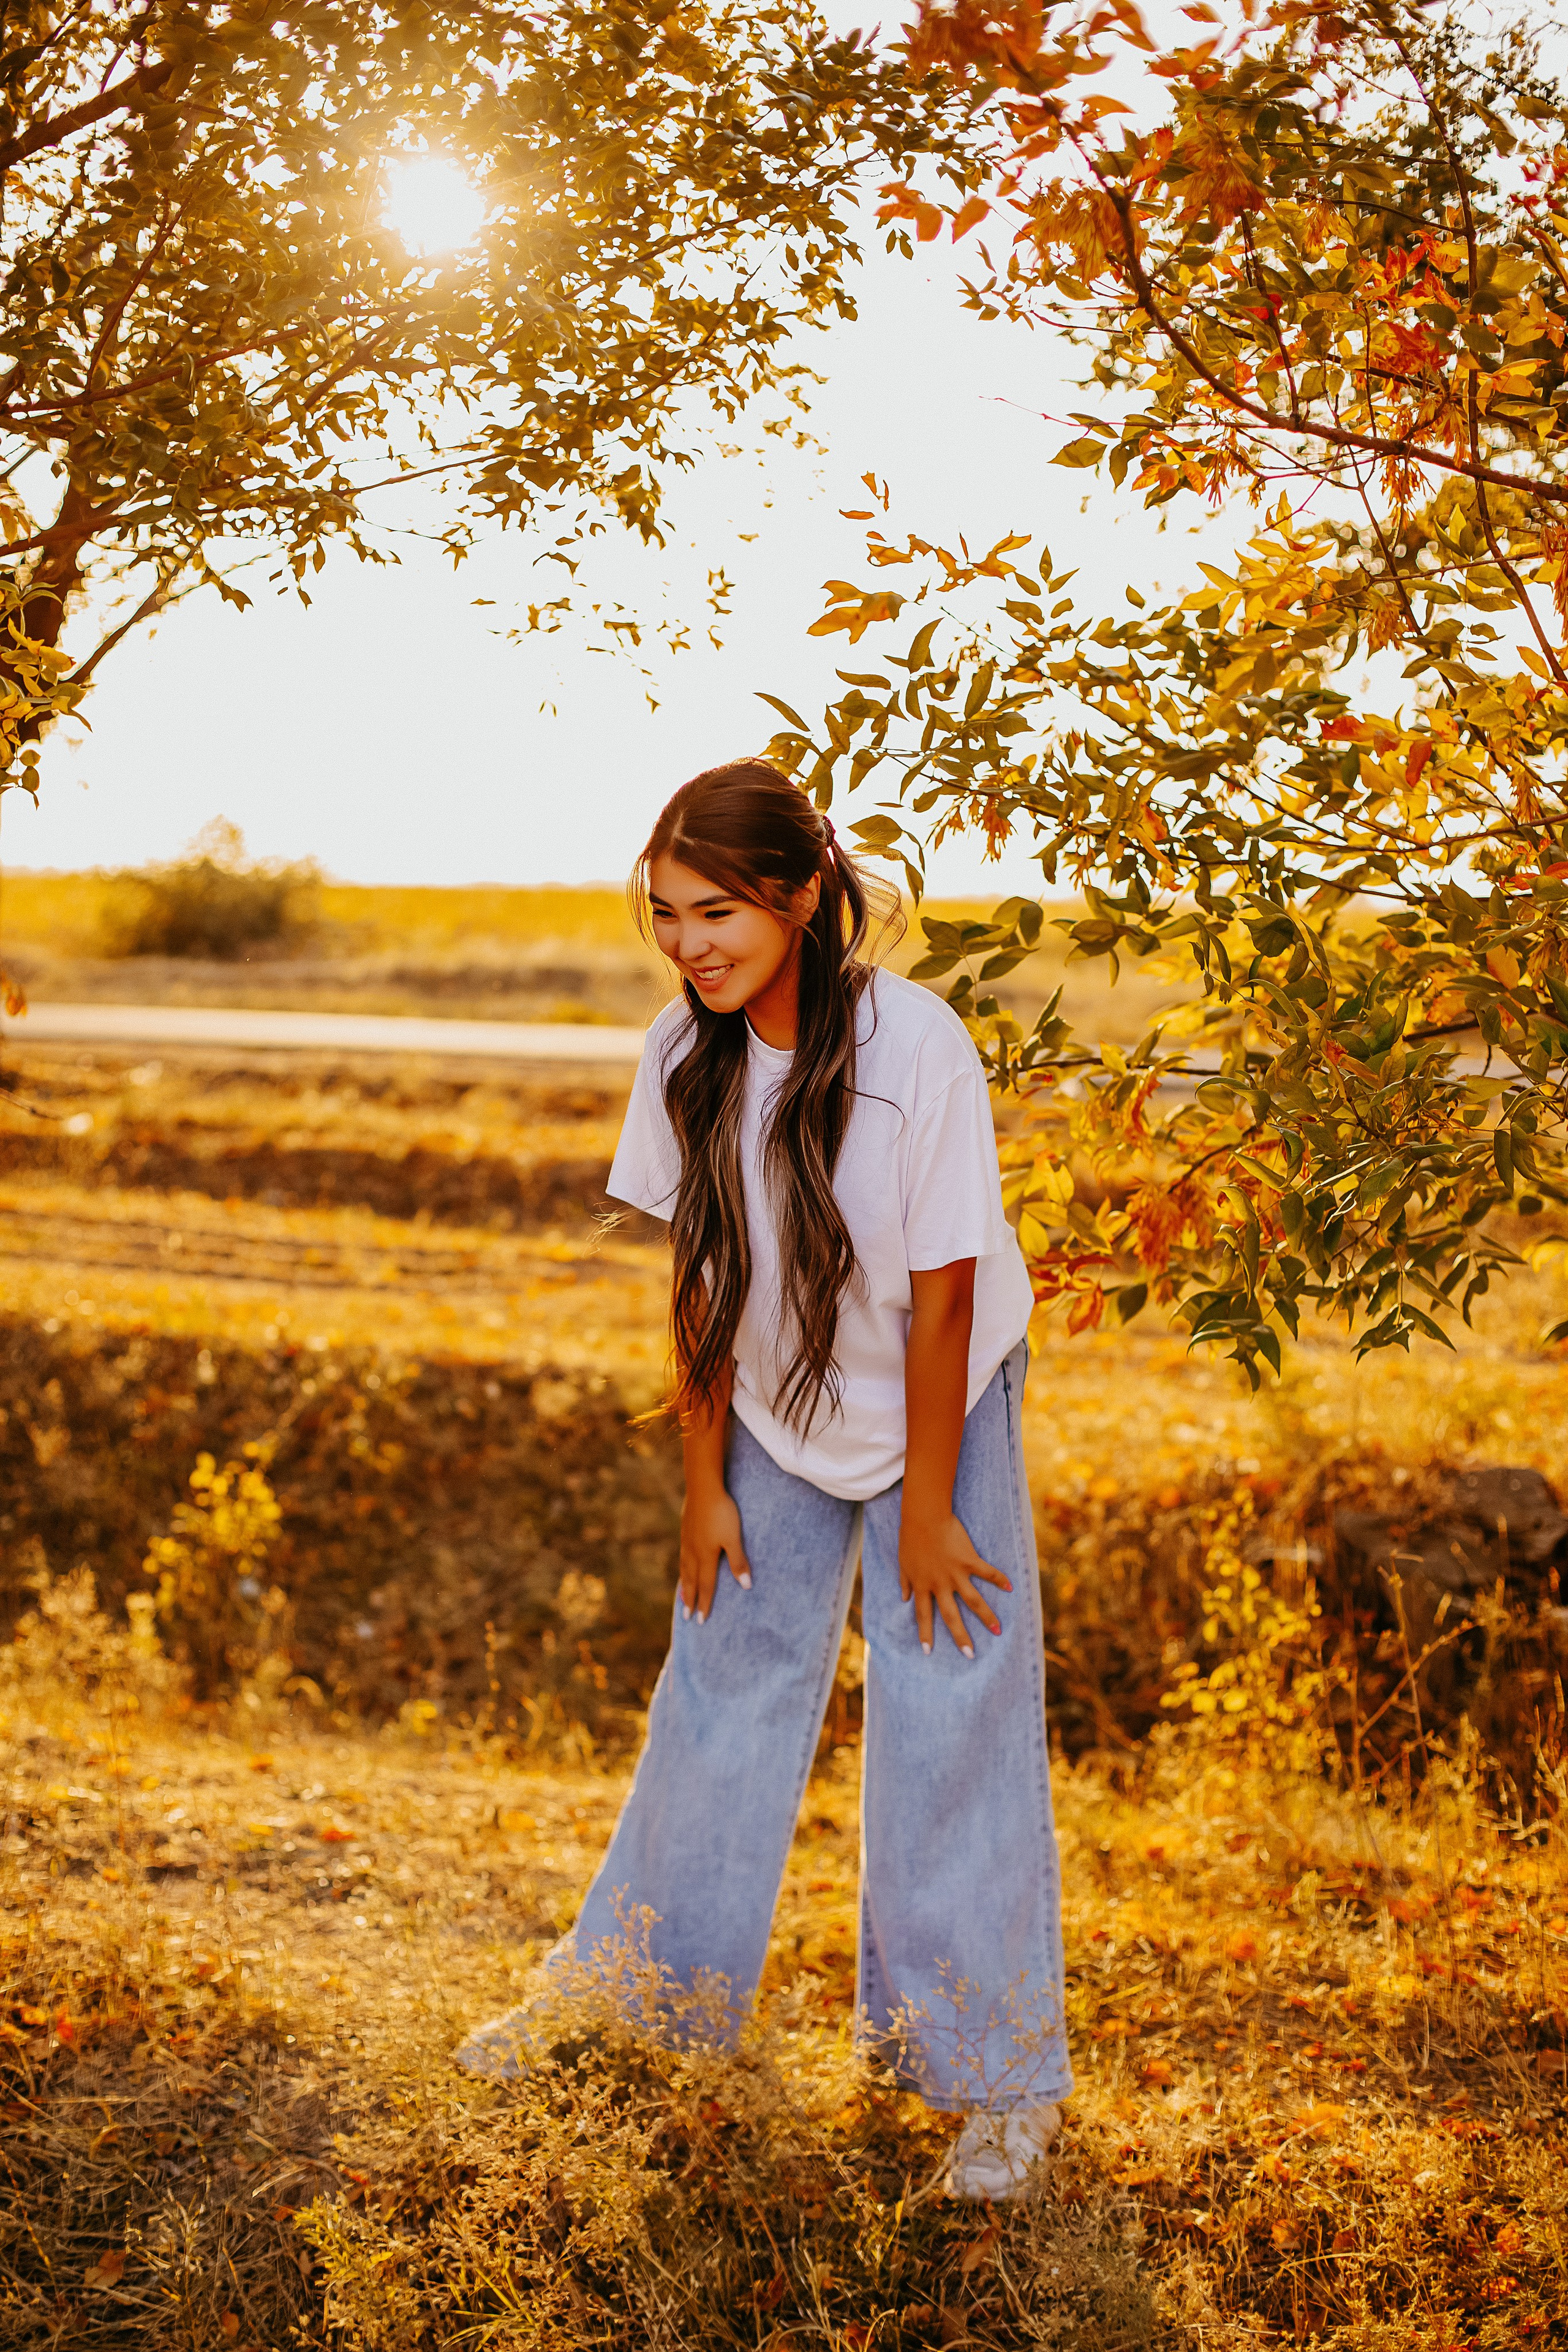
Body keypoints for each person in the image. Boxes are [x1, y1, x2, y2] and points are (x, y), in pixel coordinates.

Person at [455, 759, 1071, 2199]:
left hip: (941, 1389)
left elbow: (944, 1291)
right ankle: (631, 1999)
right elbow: (700, 1276)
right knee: (718, 1675)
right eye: (666, 915)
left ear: (798, 898)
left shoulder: (913, 1045)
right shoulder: (682, 1052)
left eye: (716, 912)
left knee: (952, 1702)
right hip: (776, 1403)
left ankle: (991, 2085)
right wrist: (703, 1481)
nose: (689, 945)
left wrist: (930, 1509)